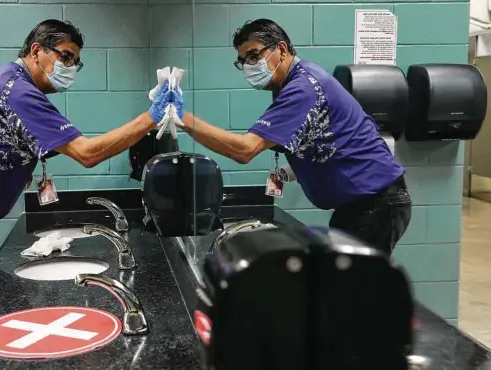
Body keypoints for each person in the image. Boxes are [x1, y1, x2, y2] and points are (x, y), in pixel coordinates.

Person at [0, 19, 172, 324]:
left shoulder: (3, 79)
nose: (69, 67)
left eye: (75, 62)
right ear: (37, 50)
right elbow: (87, 153)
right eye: (65, 56)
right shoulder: (19, 91)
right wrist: (151, 117)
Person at [170, 18, 412, 256]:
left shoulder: (303, 88)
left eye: (254, 55)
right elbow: (325, 138)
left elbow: (245, 150)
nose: (249, 66)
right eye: (243, 61)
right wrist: (290, 171)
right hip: (363, 204)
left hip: (375, 204)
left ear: (282, 49)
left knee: (354, 292)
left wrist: (182, 118)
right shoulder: (295, 82)